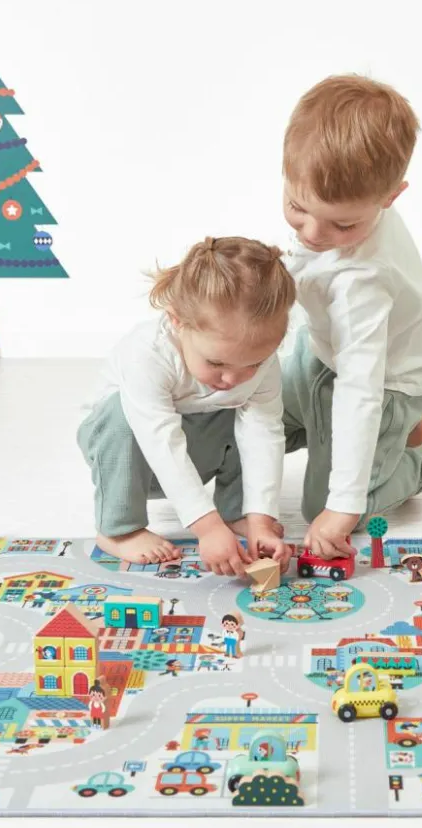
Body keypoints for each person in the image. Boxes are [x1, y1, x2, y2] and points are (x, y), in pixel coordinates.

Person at [279, 75, 422, 559]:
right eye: (297, 207)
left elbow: (360, 390)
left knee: (327, 507)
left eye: (342, 224)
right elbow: (300, 269)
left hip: (386, 382)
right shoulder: (338, 204)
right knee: (251, 418)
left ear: (390, 197)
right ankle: (397, 436)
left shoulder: (365, 281)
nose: (312, 233)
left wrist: (344, 505)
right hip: (321, 352)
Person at [78, 237, 296, 576]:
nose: (232, 378)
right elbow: (160, 440)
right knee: (120, 414)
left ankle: (237, 511)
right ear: (178, 322)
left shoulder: (260, 365)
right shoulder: (147, 353)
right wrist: (206, 528)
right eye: (216, 363)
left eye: (253, 364)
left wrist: (261, 520)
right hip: (132, 458)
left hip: (199, 449)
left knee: (248, 418)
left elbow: (264, 435)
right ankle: (119, 529)